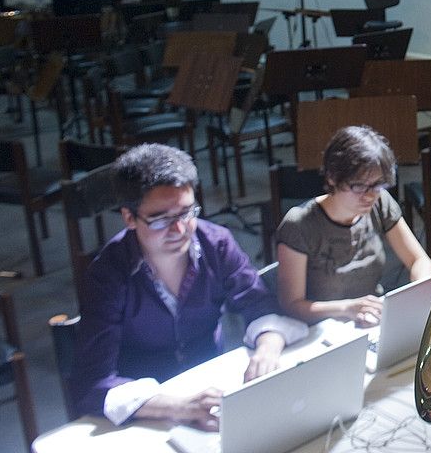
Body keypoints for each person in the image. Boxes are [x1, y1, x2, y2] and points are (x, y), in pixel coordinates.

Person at [70, 144, 308, 429]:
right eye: (160, 219)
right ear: (129, 217)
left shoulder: (217, 243)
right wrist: (178, 407)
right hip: (147, 406)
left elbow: (258, 303)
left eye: (186, 213)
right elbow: (91, 382)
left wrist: (268, 346)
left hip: (211, 387)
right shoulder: (108, 273)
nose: (180, 230)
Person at [275, 126, 431, 327]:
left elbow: (419, 260)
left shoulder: (380, 202)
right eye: (358, 186)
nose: (369, 196)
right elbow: (292, 305)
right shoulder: (299, 225)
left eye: (377, 185)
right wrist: (346, 308)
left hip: (371, 319)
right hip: (323, 328)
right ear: (332, 178)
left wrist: (418, 293)